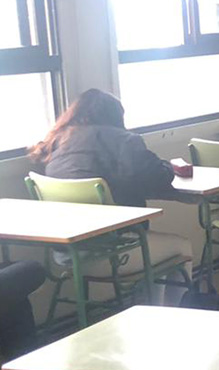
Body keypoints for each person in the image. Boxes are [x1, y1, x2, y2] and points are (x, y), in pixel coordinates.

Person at [26, 89, 193, 303]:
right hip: (113, 254)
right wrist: (168, 166)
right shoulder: (124, 141)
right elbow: (158, 176)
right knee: (180, 248)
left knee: (157, 257)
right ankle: (163, 313)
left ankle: (152, 311)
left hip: (67, 253)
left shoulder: (57, 143)